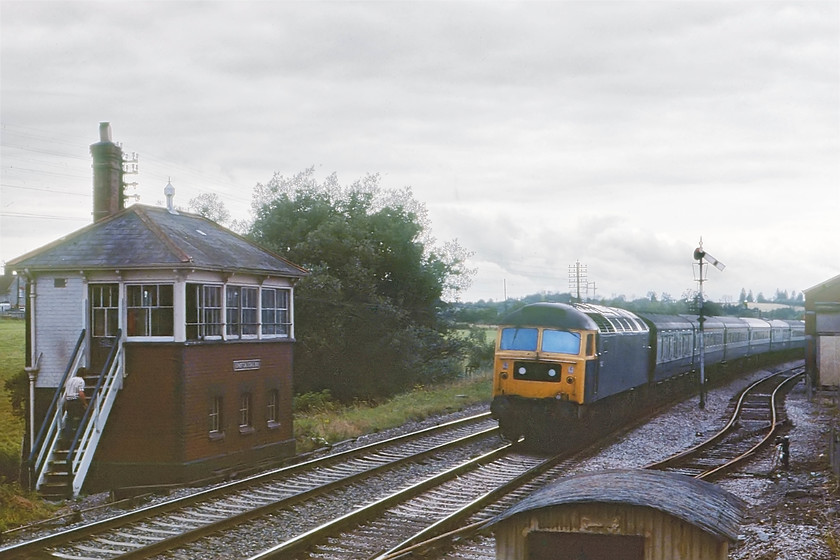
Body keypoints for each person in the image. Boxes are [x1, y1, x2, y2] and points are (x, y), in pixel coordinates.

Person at [62, 368, 88, 444]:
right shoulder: (81, 381)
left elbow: (66, 392)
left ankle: (67, 437)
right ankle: (80, 433)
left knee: (69, 419)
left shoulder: (70, 380)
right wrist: (85, 403)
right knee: (82, 417)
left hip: (69, 401)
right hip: (75, 401)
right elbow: (81, 393)